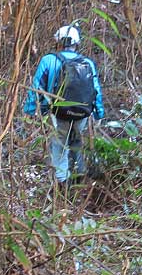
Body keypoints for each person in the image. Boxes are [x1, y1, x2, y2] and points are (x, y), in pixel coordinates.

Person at [23, 25, 105, 185]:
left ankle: (62, 181)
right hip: (82, 112)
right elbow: (96, 90)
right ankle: (81, 174)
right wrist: (98, 114)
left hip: (58, 112)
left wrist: (30, 110)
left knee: (59, 143)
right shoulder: (87, 62)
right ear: (76, 43)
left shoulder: (48, 60)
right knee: (77, 139)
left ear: (58, 42)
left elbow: (36, 87)